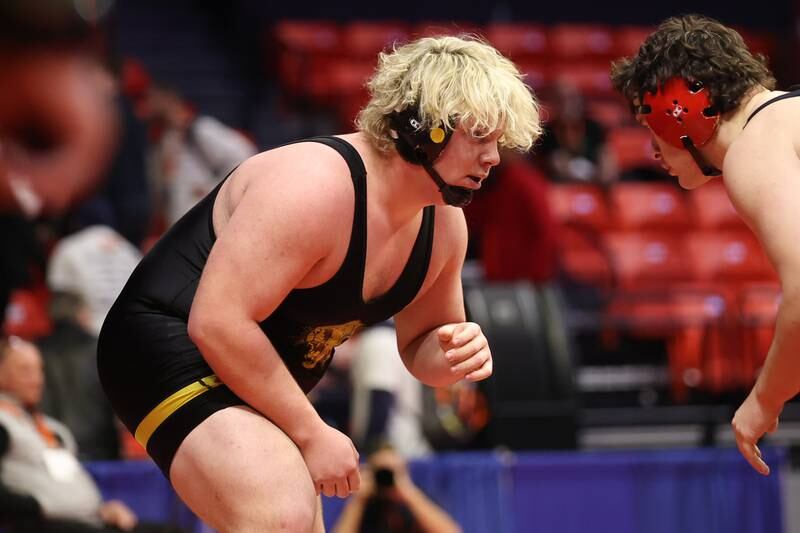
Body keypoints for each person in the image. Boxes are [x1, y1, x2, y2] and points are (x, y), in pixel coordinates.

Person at [98, 34, 541, 532]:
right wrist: (311, 432)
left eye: (497, 142)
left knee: (296, 521)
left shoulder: (442, 226)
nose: (494, 158)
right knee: (281, 510)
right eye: (480, 137)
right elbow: (217, 321)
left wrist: (454, 350)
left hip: (255, 361)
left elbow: (421, 350)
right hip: (170, 343)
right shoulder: (314, 188)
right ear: (424, 128)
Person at [610, 14, 797, 477]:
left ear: (680, 108)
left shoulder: (754, 150)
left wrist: (763, 400)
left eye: (647, 122)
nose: (651, 149)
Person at [0, 336, 182, 533]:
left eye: (39, 369)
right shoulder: (3, 425)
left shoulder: (51, 428)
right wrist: (35, 507)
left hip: (91, 520)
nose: (37, 379)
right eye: (25, 370)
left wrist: (102, 509)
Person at [331, 445, 461, 533]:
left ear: (405, 472)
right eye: (381, 473)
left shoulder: (416, 500)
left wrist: (409, 494)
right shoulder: (365, 507)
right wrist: (357, 501)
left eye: (394, 472)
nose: (388, 479)